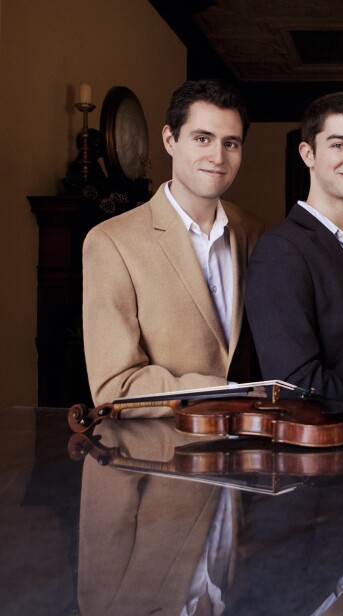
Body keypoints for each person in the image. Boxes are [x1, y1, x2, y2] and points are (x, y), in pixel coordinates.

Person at [83, 79, 264, 411]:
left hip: (249, 445)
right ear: (170, 139)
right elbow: (114, 385)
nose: (218, 157)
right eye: (202, 139)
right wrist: (224, 391)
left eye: (231, 143)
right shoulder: (111, 242)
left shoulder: (255, 231)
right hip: (160, 451)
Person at [246, 92, 343, 416]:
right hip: (326, 453)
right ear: (308, 153)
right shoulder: (281, 250)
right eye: (339, 145)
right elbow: (293, 381)